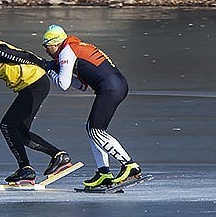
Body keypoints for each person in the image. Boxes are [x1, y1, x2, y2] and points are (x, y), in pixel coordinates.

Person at [0, 19, 70, 185]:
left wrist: (45, 65)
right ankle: (59, 156)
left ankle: (26, 169)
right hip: (31, 86)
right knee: (21, 132)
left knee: (7, 125)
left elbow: (23, 56)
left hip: (34, 84)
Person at [40, 25, 141, 189]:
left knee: (96, 131)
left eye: (46, 45)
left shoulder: (67, 51)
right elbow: (81, 86)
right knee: (91, 128)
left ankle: (129, 165)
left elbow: (63, 84)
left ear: (55, 43)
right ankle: (103, 172)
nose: (45, 49)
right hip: (115, 86)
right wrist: (57, 68)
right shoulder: (75, 48)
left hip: (110, 88)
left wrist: (49, 70)